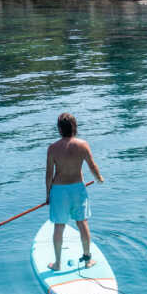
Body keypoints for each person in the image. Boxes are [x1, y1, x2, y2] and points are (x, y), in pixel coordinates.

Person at [46, 112, 104, 271]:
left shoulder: (52, 148)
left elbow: (49, 173)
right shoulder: (83, 145)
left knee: (59, 226)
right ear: (74, 127)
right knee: (82, 223)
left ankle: (57, 264)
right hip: (78, 188)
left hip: (58, 190)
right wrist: (99, 178)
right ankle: (87, 260)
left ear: (59, 129)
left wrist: (47, 194)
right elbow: (92, 166)